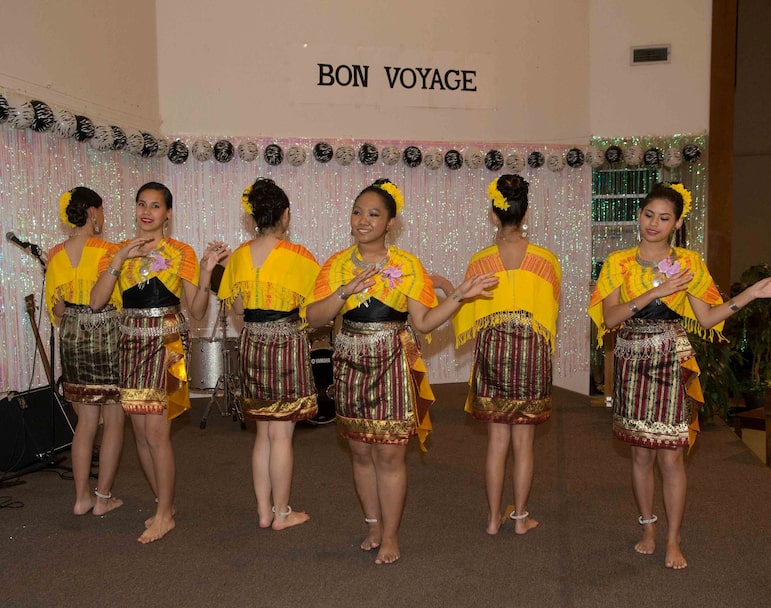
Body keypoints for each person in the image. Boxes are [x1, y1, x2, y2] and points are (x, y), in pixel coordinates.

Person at [587, 182, 771, 569]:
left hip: (670, 358)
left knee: (671, 458)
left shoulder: (690, 262)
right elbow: (610, 318)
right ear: (640, 215)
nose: (654, 224)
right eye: (649, 214)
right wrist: (656, 291)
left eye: (664, 218)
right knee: (641, 454)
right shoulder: (618, 262)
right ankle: (648, 528)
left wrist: (750, 293)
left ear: (677, 223)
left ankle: (673, 538)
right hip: (631, 358)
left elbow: (709, 317)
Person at [304, 178, 496, 565]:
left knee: (390, 456)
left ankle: (390, 535)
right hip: (350, 363)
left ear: (390, 223)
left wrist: (459, 295)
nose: (363, 220)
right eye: (358, 211)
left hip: (392, 363)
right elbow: (312, 319)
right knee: (360, 453)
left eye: (373, 214)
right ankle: (373, 525)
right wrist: (343, 291)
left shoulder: (407, 265)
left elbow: (423, 323)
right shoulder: (336, 264)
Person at [90, 181, 229, 544]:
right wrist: (119, 261)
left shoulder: (180, 251)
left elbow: (197, 310)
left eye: (155, 205)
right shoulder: (116, 251)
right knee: (139, 433)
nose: (147, 212)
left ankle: (165, 512)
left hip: (168, 345)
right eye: (141, 204)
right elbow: (95, 302)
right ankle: (162, 502)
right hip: (131, 342)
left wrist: (206, 270)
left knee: (157, 433)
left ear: (168, 213)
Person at [451, 174, 561, 535]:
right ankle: (520, 518)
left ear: (494, 214)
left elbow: (466, 310)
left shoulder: (480, 261)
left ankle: (492, 519)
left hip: (493, 350)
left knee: (497, 442)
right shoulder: (546, 261)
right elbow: (550, 312)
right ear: (525, 211)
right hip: (531, 350)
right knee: (524, 442)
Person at [217, 178, 320, 531]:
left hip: (251, 343)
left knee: (262, 433)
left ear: (253, 217)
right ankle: (282, 513)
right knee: (282, 436)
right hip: (286, 342)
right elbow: (317, 308)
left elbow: (237, 310)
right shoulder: (300, 256)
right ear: (285, 216)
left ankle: (264, 511)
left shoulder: (240, 256)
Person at [44, 186, 125, 516]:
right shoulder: (109, 250)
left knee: (86, 423)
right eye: (102, 211)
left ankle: (81, 498)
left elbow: (59, 310)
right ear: (92, 212)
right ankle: (103, 497)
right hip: (105, 332)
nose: (103, 217)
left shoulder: (54, 254)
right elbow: (116, 299)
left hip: (72, 334)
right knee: (115, 419)